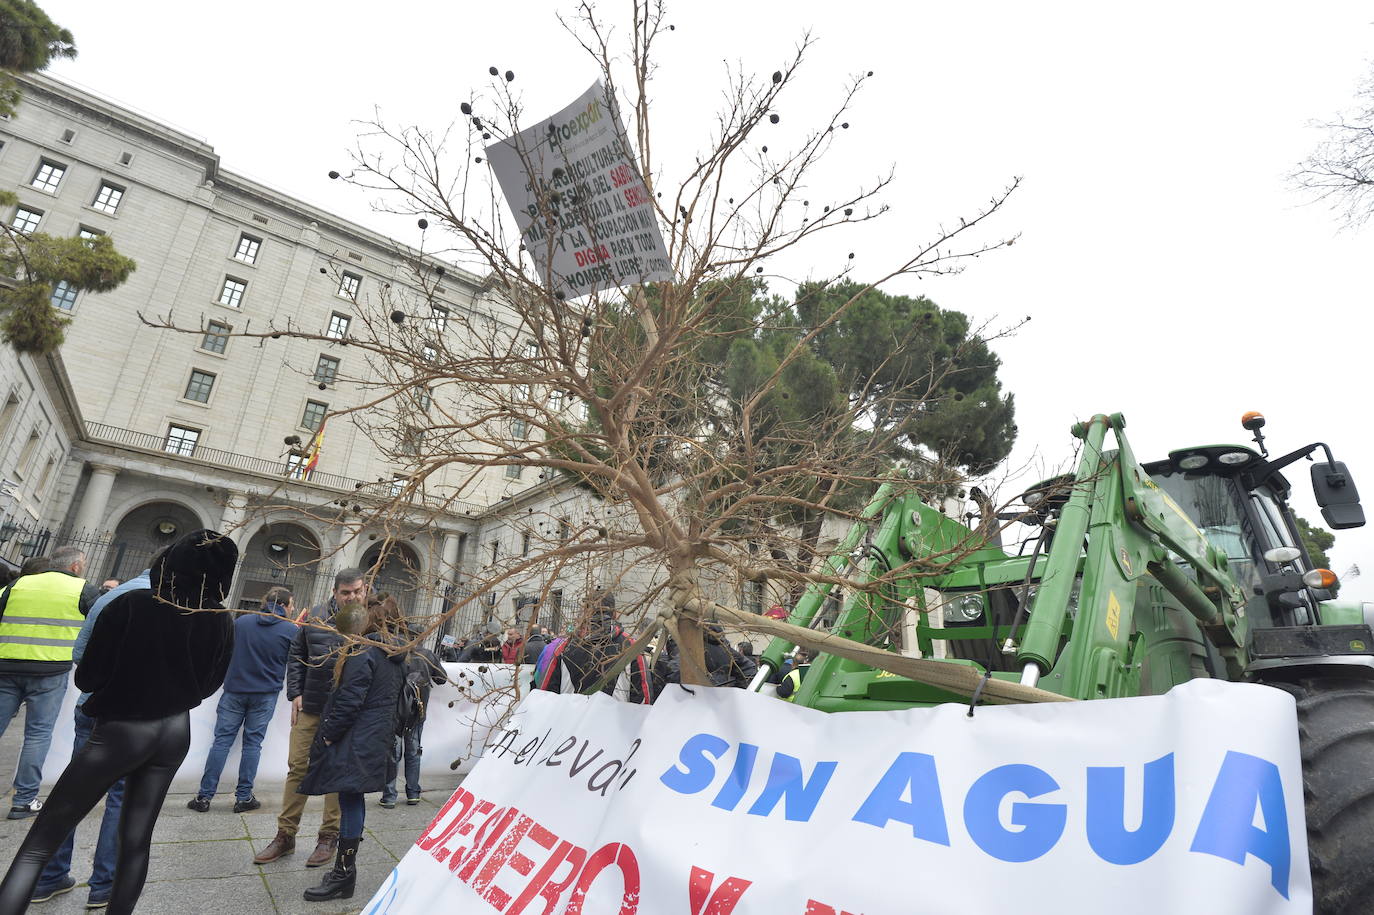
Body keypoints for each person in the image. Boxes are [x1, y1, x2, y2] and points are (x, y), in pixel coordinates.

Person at [0, 529, 237, 915]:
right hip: (176, 731)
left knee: (41, 842)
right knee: (137, 841)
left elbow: (87, 677)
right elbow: (210, 686)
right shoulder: (220, 619)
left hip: (121, 729)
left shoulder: (131, 605)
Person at [31, 569, 152, 909]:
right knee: (120, 798)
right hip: (131, 715)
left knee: (73, 792)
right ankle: (105, 885)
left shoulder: (111, 596)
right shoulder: (162, 602)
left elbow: (80, 653)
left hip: (93, 705)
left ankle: (49, 876)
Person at [297, 594, 406, 902]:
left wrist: (329, 735)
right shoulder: (394, 652)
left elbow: (349, 700)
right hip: (375, 737)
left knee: (350, 800)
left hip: (357, 738)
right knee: (351, 799)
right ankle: (344, 872)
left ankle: (344, 874)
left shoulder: (363, 652)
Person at [253, 570, 362, 868]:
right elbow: (296, 653)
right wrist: (295, 693)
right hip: (311, 705)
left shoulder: (370, 621)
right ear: (335, 591)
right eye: (345, 592)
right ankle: (285, 835)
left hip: (346, 711)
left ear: (364, 590)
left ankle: (328, 836)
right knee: (297, 767)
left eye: (356, 592)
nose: (351, 597)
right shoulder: (314, 617)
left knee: (337, 772)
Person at [0, 545, 98, 820]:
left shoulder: (18, 584)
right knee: (38, 735)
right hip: (50, 671)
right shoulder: (83, 590)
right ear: (76, 566)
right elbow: (97, 626)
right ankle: (23, 800)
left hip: (6, 665)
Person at [188, 587, 298, 814]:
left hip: (234, 691)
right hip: (264, 694)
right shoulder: (290, 630)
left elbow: (224, 650)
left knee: (221, 742)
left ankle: (203, 796)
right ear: (285, 605)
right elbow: (295, 662)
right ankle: (244, 796)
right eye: (292, 604)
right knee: (252, 745)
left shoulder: (241, 622)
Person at [537, 593, 652, 703]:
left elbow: (546, 696)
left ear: (586, 613)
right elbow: (643, 700)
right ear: (615, 614)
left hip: (571, 720)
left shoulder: (564, 647)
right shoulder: (632, 647)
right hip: (615, 721)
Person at [380, 630, 446, 808]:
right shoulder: (427, 655)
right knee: (414, 750)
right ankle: (413, 792)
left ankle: (389, 795)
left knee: (393, 752)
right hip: (418, 710)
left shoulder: (394, 654)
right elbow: (442, 679)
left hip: (396, 709)